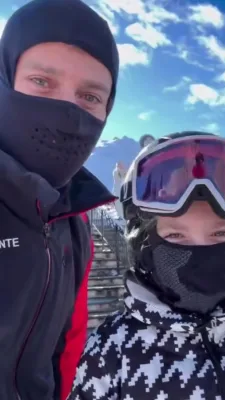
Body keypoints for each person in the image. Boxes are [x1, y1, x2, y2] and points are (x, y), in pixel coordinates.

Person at [69, 132, 225, 399]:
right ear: (144, 248)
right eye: (176, 235)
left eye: (220, 234)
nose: (200, 253)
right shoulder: (108, 354)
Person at [0, 1, 119, 399]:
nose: (67, 112)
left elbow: (67, 344)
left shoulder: (75, 219)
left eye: (90, 96)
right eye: (41, 81)